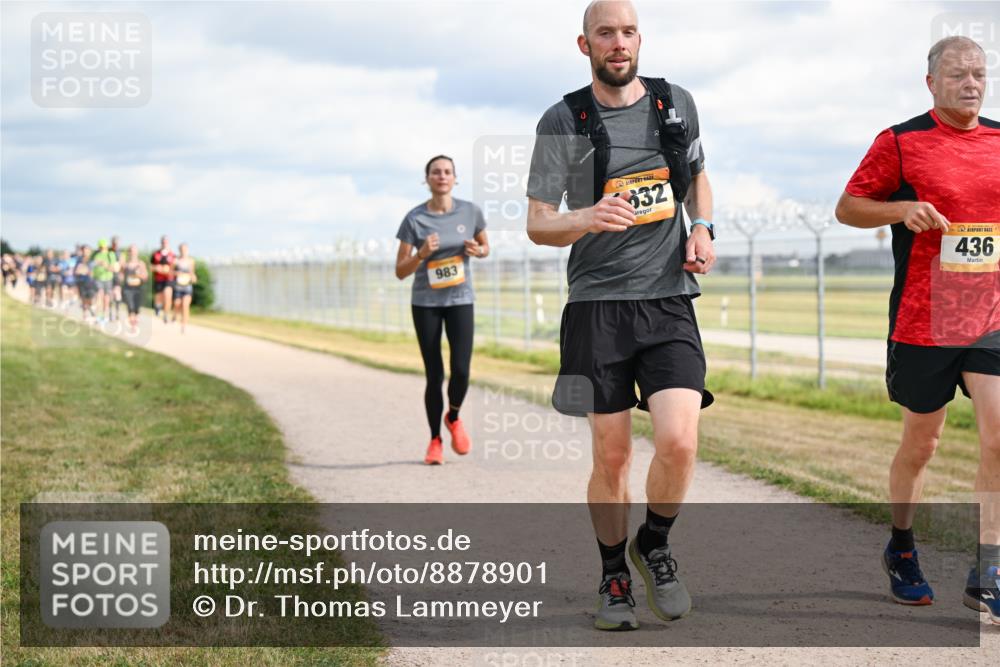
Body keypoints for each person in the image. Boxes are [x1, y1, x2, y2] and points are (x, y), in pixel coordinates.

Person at [526, 0, 715, 631]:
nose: (618, 42)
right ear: (585, 46)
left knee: (679, 441)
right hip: (596, 308)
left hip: (668, 302)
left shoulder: (675, 103)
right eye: (605, 33)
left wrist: (704, 228)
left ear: (640, 40)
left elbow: (697, 181)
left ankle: (653, 544)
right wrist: (586, 215)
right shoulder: (564, 119)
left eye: (628, 32)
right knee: (611, 459)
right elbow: (538, 223)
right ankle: (613, 575)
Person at [836, 36, 1000, 622]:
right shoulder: (901, 142)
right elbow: (849, 207)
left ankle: (989, 567)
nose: (972, 84)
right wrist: (900, 209)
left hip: (990, 318)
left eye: (980, 73)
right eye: (958, 74)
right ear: (931, 82)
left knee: (999, 436)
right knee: (921, 444)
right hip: (924, 321)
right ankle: (901, 545)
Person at [395, 155, 489, 465]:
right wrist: (421, 253)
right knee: (434, 375)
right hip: (426, 303)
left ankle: (454, 416)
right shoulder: (414, 219)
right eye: (436, 172)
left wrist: (478, 250)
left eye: (447, 171)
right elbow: (400, 270)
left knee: (461, 369)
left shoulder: (470, 211)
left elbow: (485, 247)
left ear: (455, 178)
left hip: (461, 299)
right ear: (427, 179)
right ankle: (435, 440)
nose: (442, 176)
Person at [121, 245, 148, 334]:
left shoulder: (141, 264)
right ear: (129, 252)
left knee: (136, 308)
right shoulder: (125, 264)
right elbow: (120, 276)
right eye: (131, 251)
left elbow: (145, 277)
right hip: (127, 288)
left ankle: (134, 323)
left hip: (138, 288)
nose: (132, 253)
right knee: (130, 306)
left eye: (134, 251)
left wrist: (139, 274)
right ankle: (133, 327)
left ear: (137, 252)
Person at [172, 243, 197, 333]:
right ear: (179, 250)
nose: (183, 251)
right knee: (177, 304)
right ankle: (175, 314)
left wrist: (193, 277)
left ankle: (183, 325)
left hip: (187, 286)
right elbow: (171, 272)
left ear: (187, 250)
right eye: (182, 249)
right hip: (178, 286)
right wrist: (176, 273)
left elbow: (192, 273)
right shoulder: (176, 260)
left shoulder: (191, 261)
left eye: (185, 249)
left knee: (185, 305)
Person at [91, 239, 117, 323]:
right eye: (100, 247)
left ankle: (105, 315)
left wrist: (105, 265)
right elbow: (93, 266)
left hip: (108, 278)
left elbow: (113, 268)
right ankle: (99, 315)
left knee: (106, 298)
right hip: (98, 278)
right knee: (99, 295)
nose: (102, 249)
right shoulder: (97, 255)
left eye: (103, 247)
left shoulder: (111, 254)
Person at [151, 236, 176, 323]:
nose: (164, 244)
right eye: (163, 242)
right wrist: (157, 268)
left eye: (166, 242)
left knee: (168, 296)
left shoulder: (172, 255)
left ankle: (166, 314)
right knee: (159, 297)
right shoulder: (155, 254)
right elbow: (151, 267)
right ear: (161, 243)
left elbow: (175, 268)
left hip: (168, 279)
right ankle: (157, 306)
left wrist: (168, 270)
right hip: (158, 279)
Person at [73, 245, 95, 320]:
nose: (85, 252)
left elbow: (91, 272)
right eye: (84, 250)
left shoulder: (92, 260)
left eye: (87, 250)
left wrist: (86, 271)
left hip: (90, 282)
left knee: (90, 297)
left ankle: (90, 307)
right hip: (81, 281)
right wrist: (81, 271)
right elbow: (76, 271)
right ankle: (84, 314)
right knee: (83, 298)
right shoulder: (79, 260)